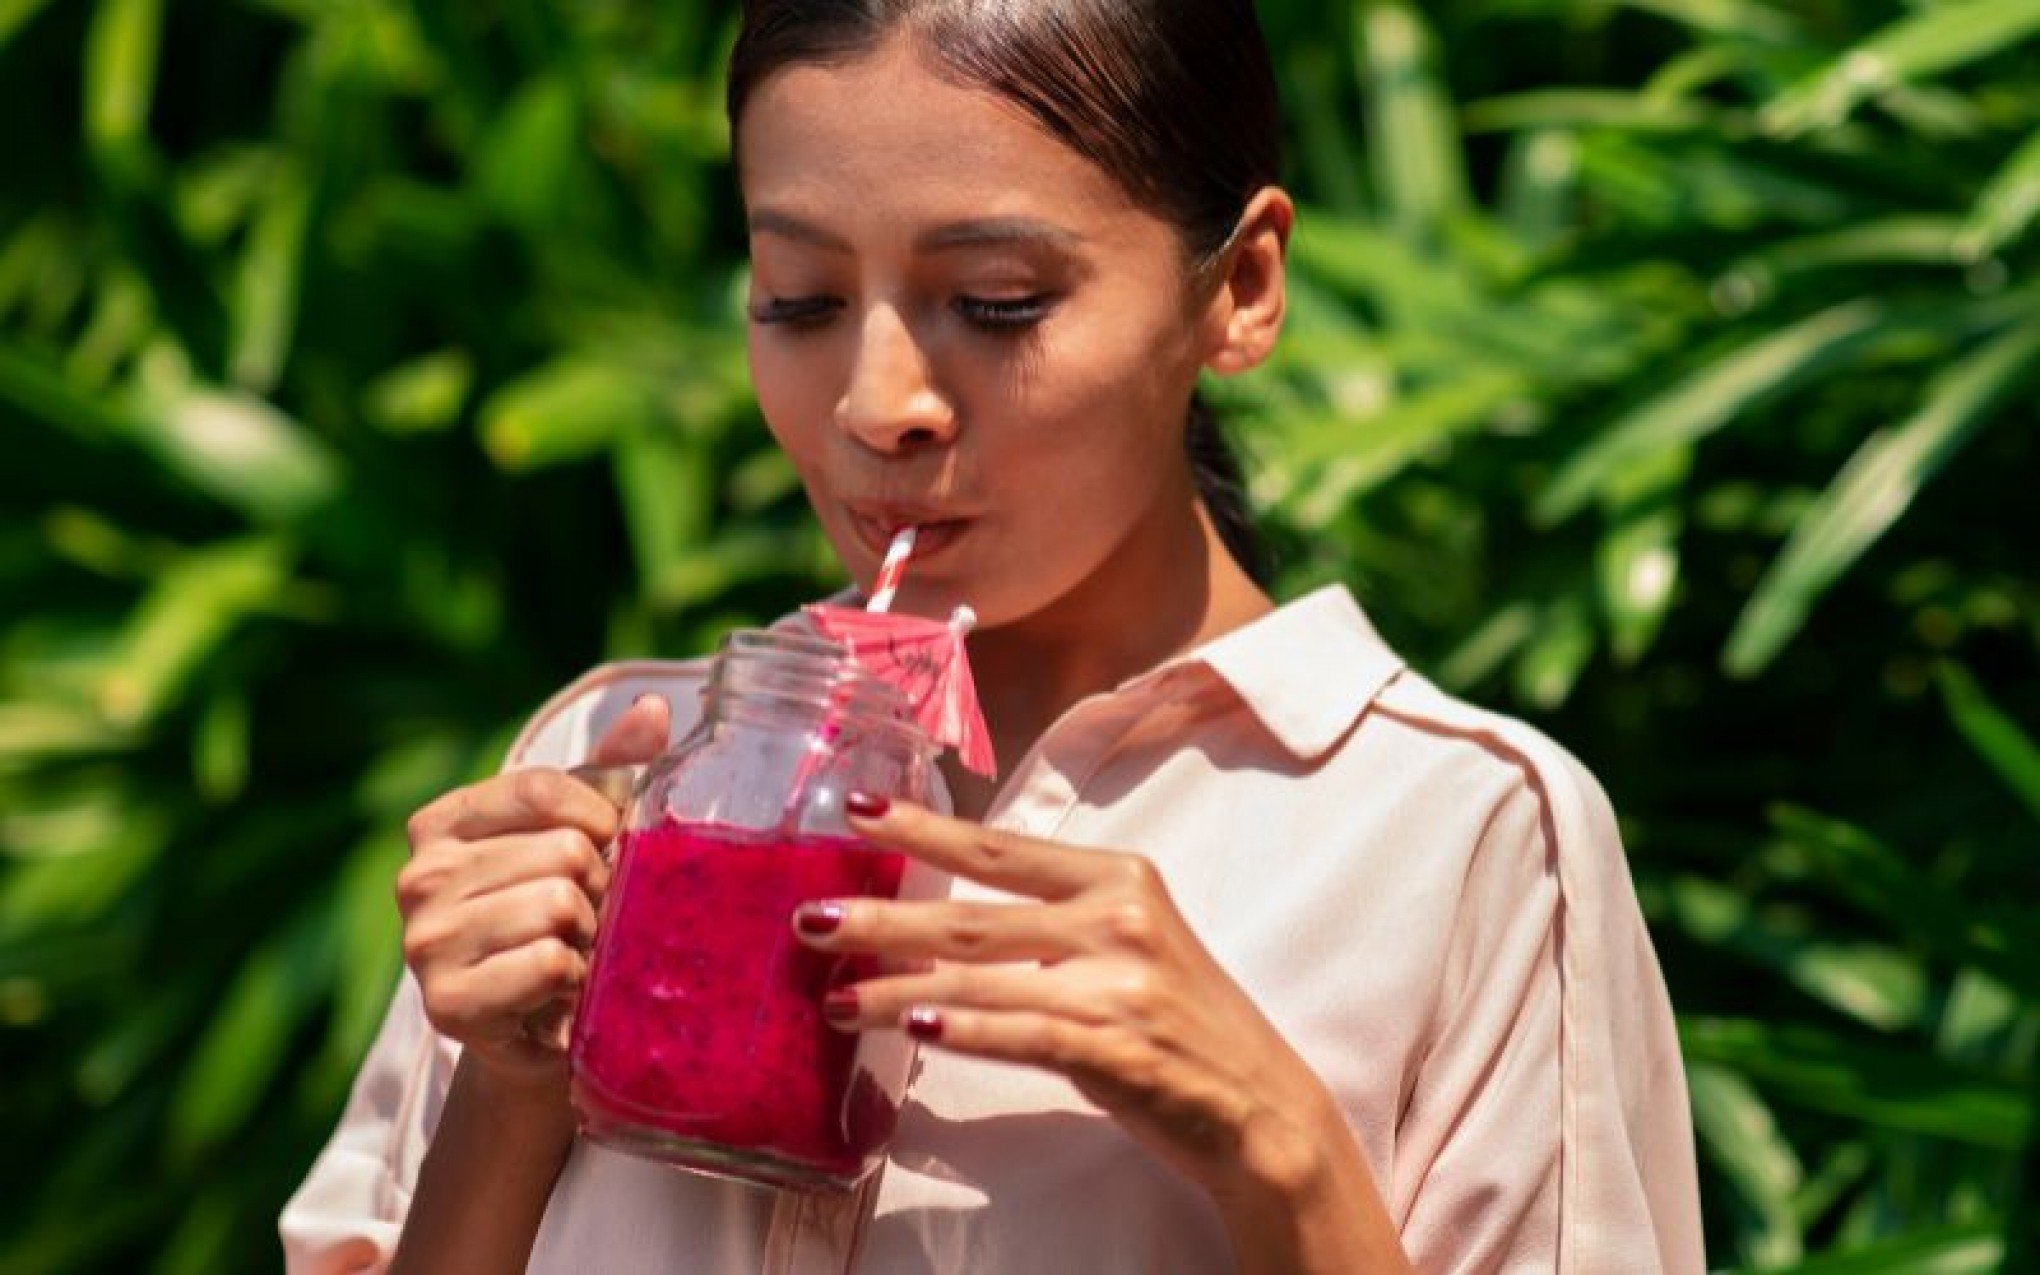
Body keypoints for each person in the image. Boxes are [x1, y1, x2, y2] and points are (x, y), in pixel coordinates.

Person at [281, 1, 1704, 1271]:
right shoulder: (614, 770)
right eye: (801, 301)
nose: (876, 400)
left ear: (1243, 286)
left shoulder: (1456, 839)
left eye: (998, 303)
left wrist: (1284, 1157)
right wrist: (513, 1084)